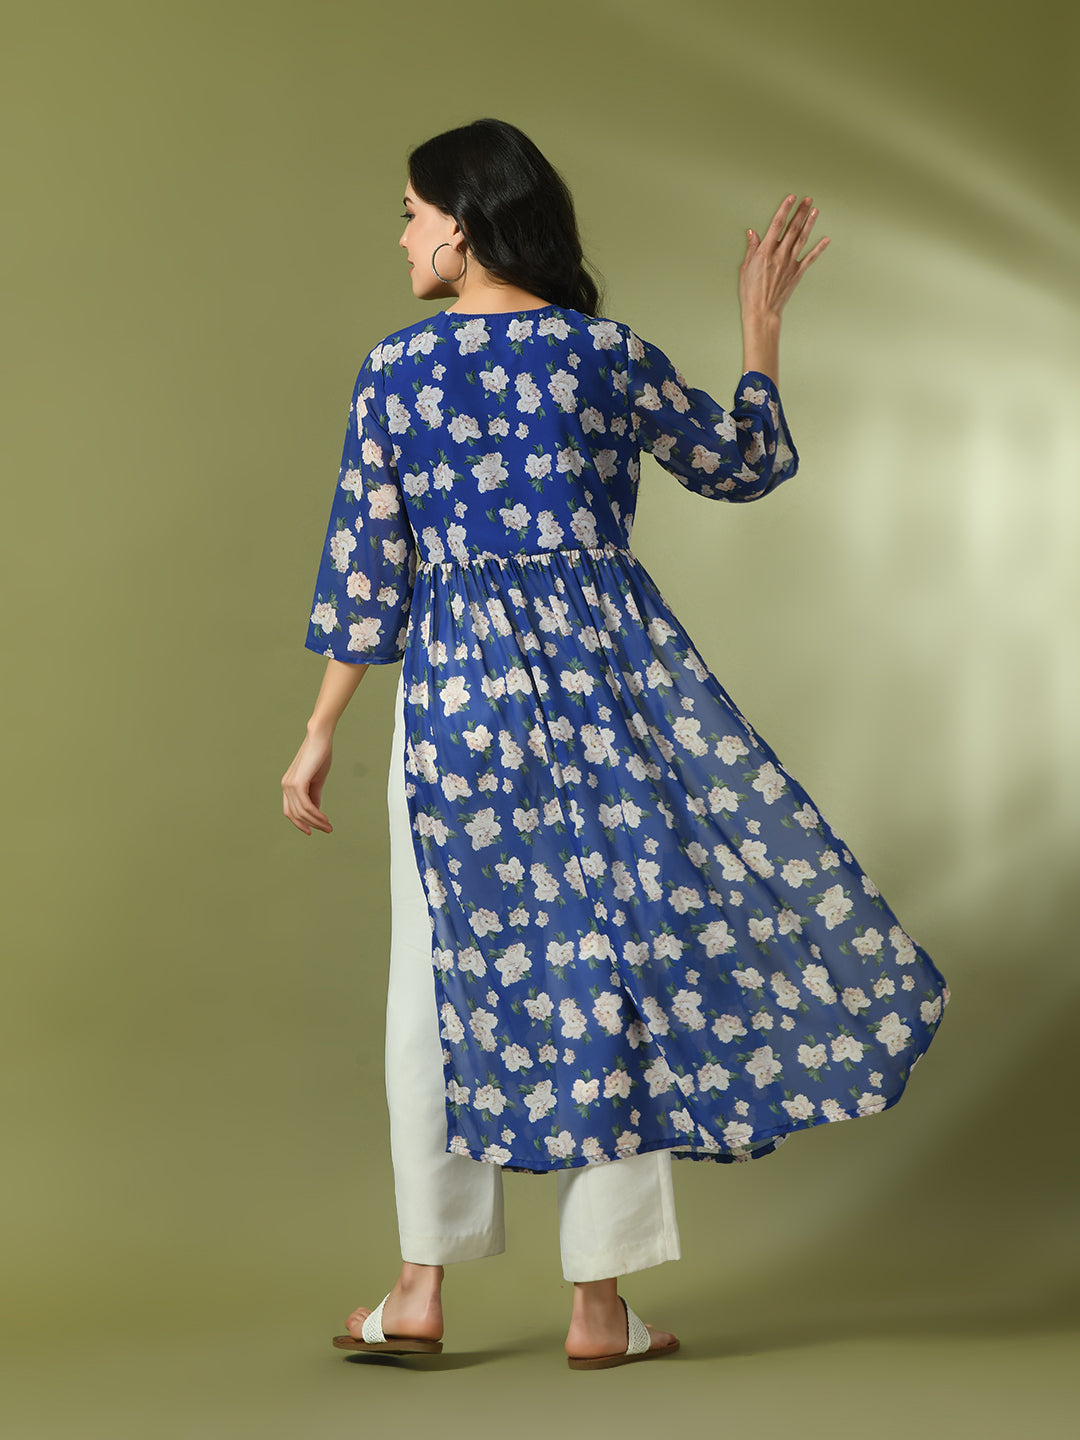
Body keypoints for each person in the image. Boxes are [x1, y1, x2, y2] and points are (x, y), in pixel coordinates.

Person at [281, 118, 949, 1370]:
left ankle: (418, 1289)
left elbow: (370, 565)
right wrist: (759, 328)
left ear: (464, 223)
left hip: (458, 708)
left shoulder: (398, 370)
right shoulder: (605, 354)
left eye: (414, 212)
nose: (405, 234)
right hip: (608, 692)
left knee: (437, 982)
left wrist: (321, 731)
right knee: (612, 972)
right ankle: (599, 1309)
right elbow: (745, 465)